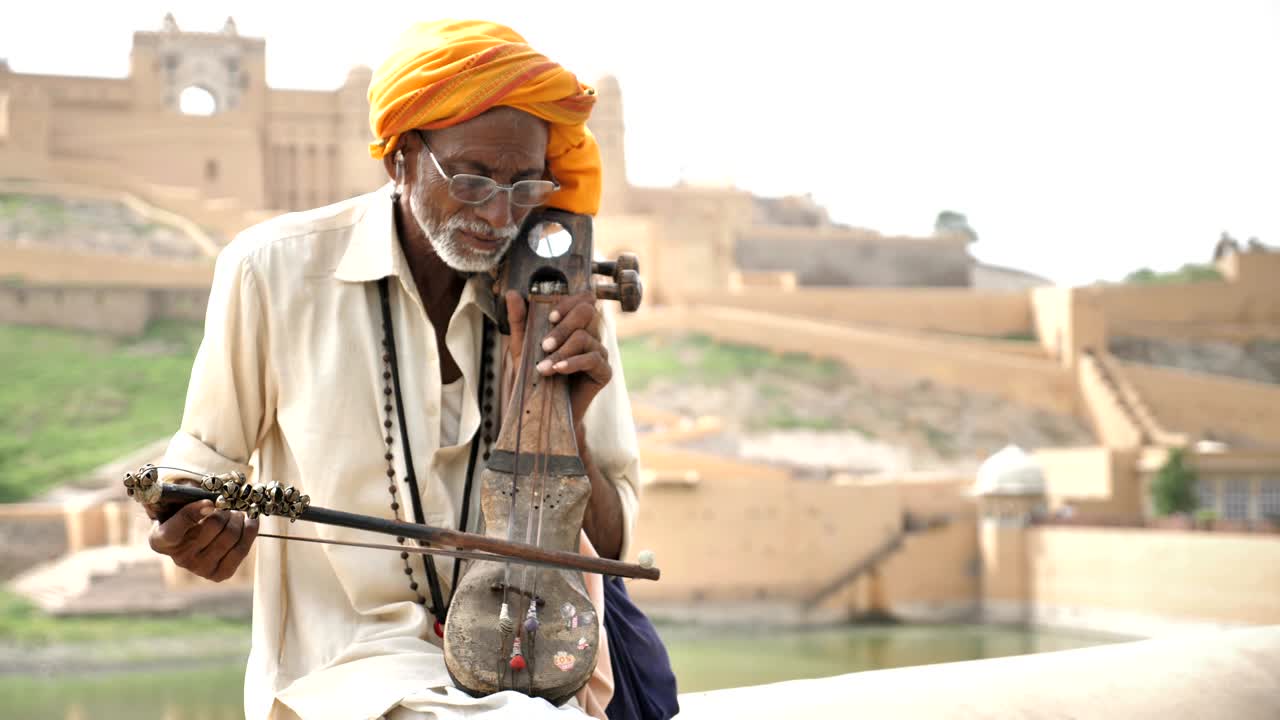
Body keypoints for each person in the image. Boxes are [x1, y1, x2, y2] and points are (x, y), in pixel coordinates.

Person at [145, 20, 660, 720]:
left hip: (525, 663)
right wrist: (194, 527)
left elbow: (611, 546)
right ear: (401, 159)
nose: (500, 213)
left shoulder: (556, 296)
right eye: (473, 179)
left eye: (524, 186)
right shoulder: (271, 269)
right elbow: (198, 474)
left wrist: (561, 413)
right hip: (344, 677)